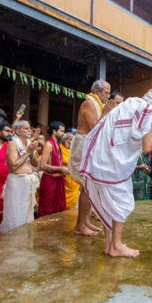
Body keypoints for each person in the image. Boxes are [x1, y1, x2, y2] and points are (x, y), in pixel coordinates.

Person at [81, 88, 152, 257]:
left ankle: (110, 245)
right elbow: (146, 147)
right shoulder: (148, 109)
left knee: (109, 203)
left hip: (101, 158)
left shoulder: (132, 103)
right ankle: (116, 245)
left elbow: (135, 137)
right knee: (121, 202)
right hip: (112, 162)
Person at [69, 80, 110, 236]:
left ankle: (85, 222)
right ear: (98, 92)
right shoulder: (89, 104)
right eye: (106, 93)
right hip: (84, 145)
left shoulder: (96, 104)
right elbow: (94, 129)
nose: (107, 96)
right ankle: (80, 225)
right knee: (87, 186)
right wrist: (106, 112)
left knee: (89, 186)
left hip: (90, 146)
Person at [0, 120, 40, 233]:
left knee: (27, 213)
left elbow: (36, 164)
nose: (30, 131)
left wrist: (31, 152)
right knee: (15, 214)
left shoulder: (29, 143)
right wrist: (28, 152)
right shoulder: (13, 143)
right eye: (26, 128)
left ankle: (24, 240)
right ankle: (12, 241)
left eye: (29, 128)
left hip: (27, 182)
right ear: (17, 131)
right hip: (16, 182)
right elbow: (13, 166)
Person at [38, 121, 68, 217]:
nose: (63, 133)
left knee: (58, 211)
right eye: (61, 131)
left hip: (58, 180)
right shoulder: (49, 144)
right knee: (47, 210)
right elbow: (42, 165)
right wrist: (60, 168)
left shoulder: (57, 144)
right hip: (50, 180)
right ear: (54, 131)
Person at [60, 131, 80, 210]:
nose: (72, 142)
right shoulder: (59, 149)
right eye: (70, 139)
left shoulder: (75, 150)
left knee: (73, 206)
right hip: (63, 180)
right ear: (64, 140)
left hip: (74, 181)